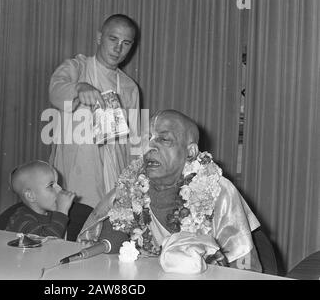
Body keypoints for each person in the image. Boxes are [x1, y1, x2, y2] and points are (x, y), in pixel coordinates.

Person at [78, 110, 263, 272]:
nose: (150, 146)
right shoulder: (131, 185)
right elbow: (112, 232)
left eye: (164, 139)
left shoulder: (218, 190)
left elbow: (244, 266)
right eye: (147, 139)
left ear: (190, 152)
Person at [49, 14, 141, 208]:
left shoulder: (129, 87)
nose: (118, 49)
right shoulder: (76, 68)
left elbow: (134, 141)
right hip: (77, 168)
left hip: (113, 171)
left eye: (126, 43)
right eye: (113, 39)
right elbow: (55, 90)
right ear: (99, 38)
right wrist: (79, 88)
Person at [5, 160, 75, 238]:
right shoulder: (22, 220)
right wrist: (62, 212)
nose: (60, 189)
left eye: (57, 184)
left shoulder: (52, 215)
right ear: (30, 196)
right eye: (51, 185)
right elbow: (44, 244)